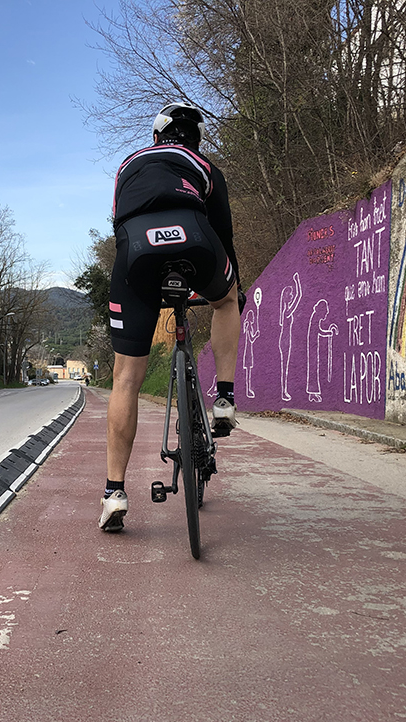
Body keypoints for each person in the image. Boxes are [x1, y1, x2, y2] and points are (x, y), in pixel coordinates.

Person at [99, 102, 242, 533]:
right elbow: (224, 232)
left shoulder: (128, 165)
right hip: (195, 240)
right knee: (226, 300)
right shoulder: (203, 165)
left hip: (136, 251)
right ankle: (225, 399)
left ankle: (113, 493)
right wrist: (231, 285)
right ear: (195, 138)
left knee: (125, 377)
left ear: (156, 137)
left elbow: (118, 221)